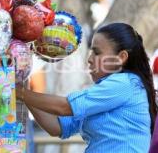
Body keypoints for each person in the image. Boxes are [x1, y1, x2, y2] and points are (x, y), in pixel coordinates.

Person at [16, 23, 157, 152]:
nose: (89, 59)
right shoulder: (108, 90)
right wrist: (23, 88)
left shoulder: (126, 83)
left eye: (97, 52)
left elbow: (64, 107)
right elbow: (57, 127)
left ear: (121, 57)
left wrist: (20, 93)